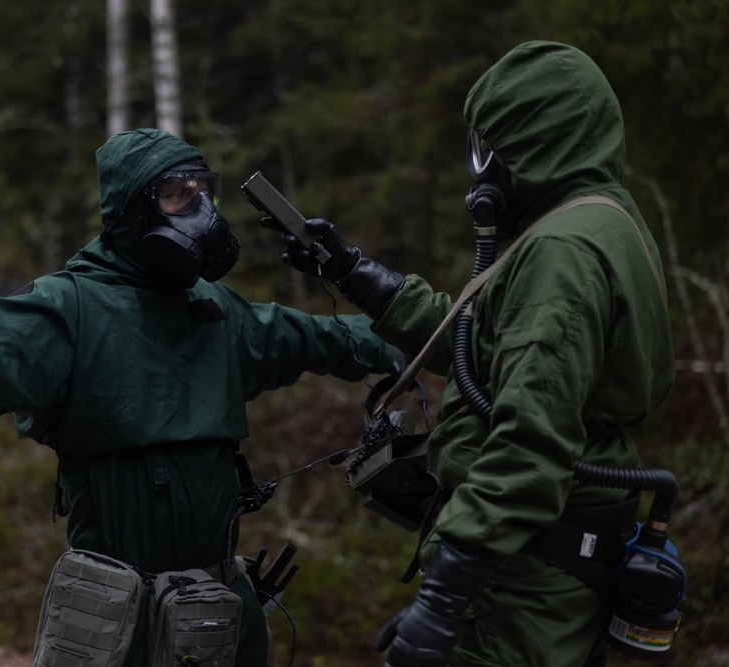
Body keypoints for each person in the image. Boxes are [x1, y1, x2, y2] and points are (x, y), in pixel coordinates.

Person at [0, 127, 403, 667]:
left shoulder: (215, 309)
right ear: (132, 211)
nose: (198, 210)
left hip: (216, 612)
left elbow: (311, 337)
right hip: (112, 620)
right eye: (176, 195)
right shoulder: (72, 306)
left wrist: (407, 338)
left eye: (203, 192)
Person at [267, 42, 674, 666]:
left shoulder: (564, 253)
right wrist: (353, 271)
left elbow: (529, 444)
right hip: (539, 563)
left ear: (536, 137)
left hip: (519, 582)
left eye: (488, 148)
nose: (479, 171)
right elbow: (481, 343)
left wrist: (444, 597)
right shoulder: (596, 220)